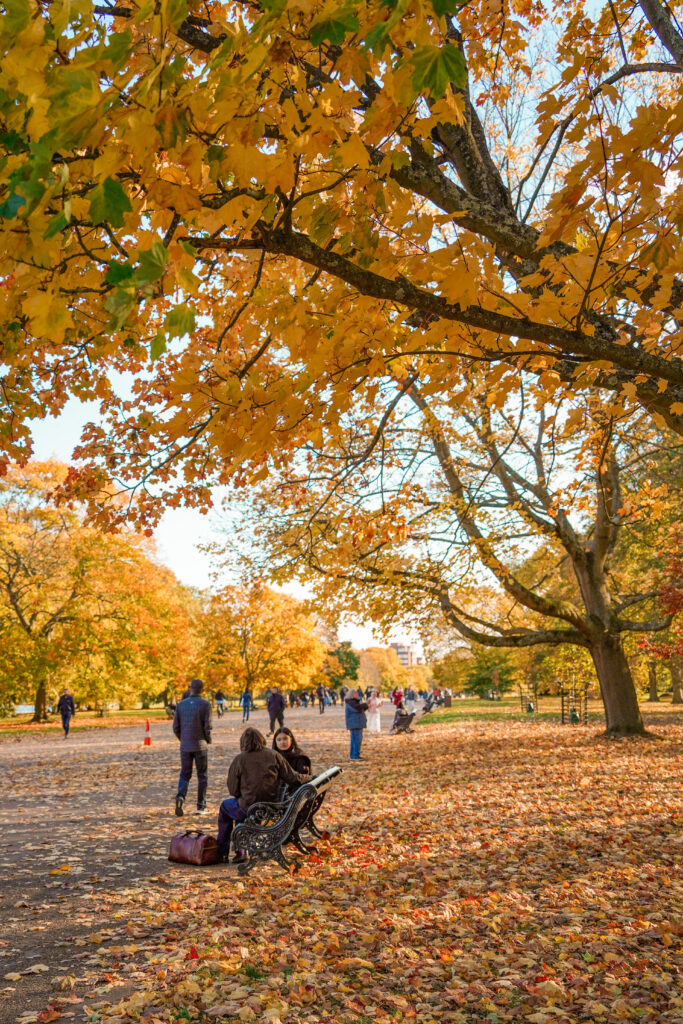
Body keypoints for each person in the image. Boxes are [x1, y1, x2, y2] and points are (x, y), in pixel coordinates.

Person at [217, 727, 309, 863]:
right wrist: (310, 777)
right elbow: (293, 778)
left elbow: (233, 790)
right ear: (261, 739)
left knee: (226, 808)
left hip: (248, 807)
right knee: (240, 811)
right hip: (272, 808)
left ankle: (223, 852)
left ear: (243, 743)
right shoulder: (274, 755)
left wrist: (242, 794)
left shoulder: (239, 760)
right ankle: (240, 850)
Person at [173, 679, 212, 817]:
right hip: (200, 745)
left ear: (190, 689)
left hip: (185, 746)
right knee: (202, 776)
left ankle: (180, 798)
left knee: (185, 774)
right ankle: (201, 806)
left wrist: (183, 739)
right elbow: (207, 726)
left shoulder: (181, 705)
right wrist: (208, 739)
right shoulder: (205, 704)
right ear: (202, 690)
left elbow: (175, 727)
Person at [345, 688, 368, 761]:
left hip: (356, 724)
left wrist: (365, 705)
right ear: (352, 695)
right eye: (356, 694)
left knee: (356, 740)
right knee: (356, 740)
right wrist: (365, 704)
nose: (358, 695)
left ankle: (354, 755)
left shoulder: (353, 702)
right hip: (355, 724)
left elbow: (360, 708)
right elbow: (358, 708)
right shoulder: (351, 703)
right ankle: (355, 755)